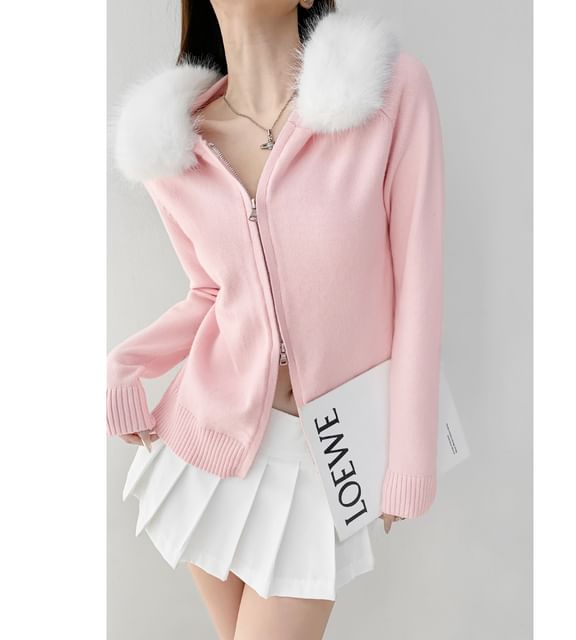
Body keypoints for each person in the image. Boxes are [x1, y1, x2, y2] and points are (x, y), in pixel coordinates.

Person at [107, 1, 444, 638]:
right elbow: (210, 292)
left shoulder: (388, 92)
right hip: (206, 444)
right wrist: (124, 366)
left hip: (322, 456)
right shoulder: (178, 142)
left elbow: (419, 284)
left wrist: (409, 455)